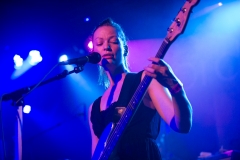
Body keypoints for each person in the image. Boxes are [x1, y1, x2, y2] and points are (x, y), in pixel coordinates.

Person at [88, 18, 192, 160]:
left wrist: (174, 84)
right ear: (94, 52)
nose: (106, 47)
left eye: (113, 41)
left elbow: (182, 126)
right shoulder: (94, 108)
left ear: (125, 48)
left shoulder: (145, 80)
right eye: (99, 43)